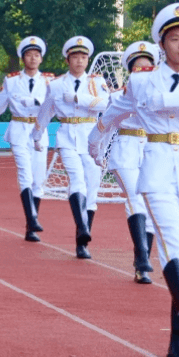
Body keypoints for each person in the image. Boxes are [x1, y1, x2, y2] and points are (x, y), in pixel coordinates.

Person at [88, 4, 179, 357]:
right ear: (162, 43)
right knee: (173, 245)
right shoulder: (143, 80)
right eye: (175, 38)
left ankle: (178, 340)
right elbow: (112, 114)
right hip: (157, 169)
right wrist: (95, 143)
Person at [0, 37, 53, 241]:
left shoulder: (50, 81)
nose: (33, 58)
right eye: (29, 55)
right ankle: (32, 218)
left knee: (38, 179)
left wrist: (35, 101)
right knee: (25, 173)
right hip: (19, 128)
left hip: (39, 130)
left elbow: (54, 104)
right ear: (23, 58)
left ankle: (30, 227)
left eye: (36, 55)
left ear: (41, 59)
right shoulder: (12, 80)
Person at [32, 36, 108, 259]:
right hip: (67, 137)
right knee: (76, 180)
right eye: (75, 57)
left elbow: (106, 104)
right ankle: (83, 228)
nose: (80, 61)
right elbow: (45, 111)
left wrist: (78, 98)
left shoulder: (96, 82)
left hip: (92, 137)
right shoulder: (55, 85)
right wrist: (37, 136)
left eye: (84, 57)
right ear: (68, 59)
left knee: (91, 189)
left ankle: (82, 241)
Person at [102, 41, 158, 284]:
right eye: (138, 68)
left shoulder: (162, 96)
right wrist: (99, 153)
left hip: (151, 150)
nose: (143, 71)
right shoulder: (117, 96)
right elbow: (106, 125)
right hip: (124, 151)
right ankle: (143, 257)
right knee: (135, 198)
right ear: (131, 71)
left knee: (152, 204)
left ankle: (141, 263)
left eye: (148, 67)